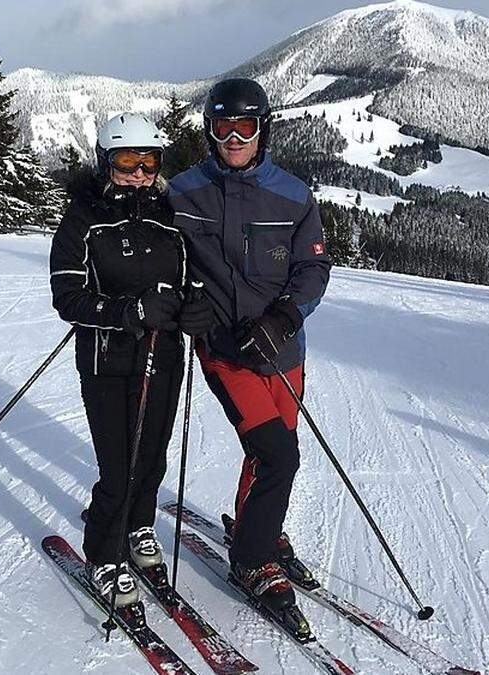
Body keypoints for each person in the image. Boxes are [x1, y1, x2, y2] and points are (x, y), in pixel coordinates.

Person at [168, 78, 331, 617]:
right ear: (209, 130)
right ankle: (253, 556)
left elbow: (312, 266)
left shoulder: (292, 194)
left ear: (264, 129)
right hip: (224, 349)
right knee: (277, 454)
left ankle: (259, 523)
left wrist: (286, 315)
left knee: (276, 454)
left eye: (245, 126)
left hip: (283, 350)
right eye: (222, 127)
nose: (234, 138)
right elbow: (151, 246)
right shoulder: (182, 192)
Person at [49, 113, 214, 607]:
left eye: (149, 161)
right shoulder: (85, 215)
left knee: (152, 459)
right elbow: (67, 296)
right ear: (106, 162)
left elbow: (189, 279)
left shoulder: (170, 216)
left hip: (163, 357)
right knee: (117, 468)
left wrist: (195, 304)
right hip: (106, 361)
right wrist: (128, 311)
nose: (140, 172)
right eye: (127, 161)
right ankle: (103, 552)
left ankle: (141, 525)